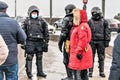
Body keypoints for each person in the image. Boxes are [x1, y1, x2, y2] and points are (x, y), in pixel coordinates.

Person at [0, 1, 26, 80]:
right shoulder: (14, 22)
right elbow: (23, 38)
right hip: (11, 59)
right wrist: (14, 41)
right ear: (6, 10)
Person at [22, 5, 49, 79]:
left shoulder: (42, 21)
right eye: (33, 12)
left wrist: (46, 42)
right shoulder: (26, 21)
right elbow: (22, 33)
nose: (34, 14)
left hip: (39, 42)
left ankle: (40, 72)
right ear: (30, 13)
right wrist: (23, 43)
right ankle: (29, 72)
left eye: (35, 12)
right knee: (29, 57)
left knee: (39, 57)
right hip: (30, 42)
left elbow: (46, 32)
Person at [68, 9, 93, 80]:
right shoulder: (82, 26)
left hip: (79, 54)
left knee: (77, 73)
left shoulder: (81, 27)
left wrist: (78, 51)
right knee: (83, 72)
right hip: (82, 52)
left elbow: (83, 41)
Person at [88, 7, 111, 77]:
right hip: (92, 41)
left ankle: (101, 71)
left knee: (101, 57)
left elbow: (107, 32)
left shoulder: (104, 21)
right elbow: (87, 31)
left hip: (101, 41)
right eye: (93, 13)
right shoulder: (89, 21)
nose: (94, 14)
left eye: (95, 13)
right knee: (91, 57)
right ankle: (90, 71)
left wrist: (107, 40)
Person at [58, 4, 76, 80]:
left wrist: (60, 43)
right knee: (75, 60)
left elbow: (63, 33)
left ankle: (70, 76)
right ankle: (76, 76)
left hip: (68, 42)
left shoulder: (67, 19)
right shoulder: (78, 18)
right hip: (76, 42)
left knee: (66, 60)